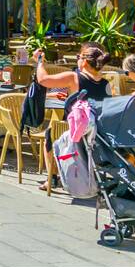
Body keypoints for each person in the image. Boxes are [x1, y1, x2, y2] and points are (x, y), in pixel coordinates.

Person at [36, 43, 109, 192]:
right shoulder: (106, 83)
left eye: (78, 57)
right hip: (97, 131)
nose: (77, 60)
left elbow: (43, 80)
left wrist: (39, 61)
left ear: (85, 61)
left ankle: (53, 178)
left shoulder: (74, 77)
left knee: (51, 133)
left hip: (75, 130)